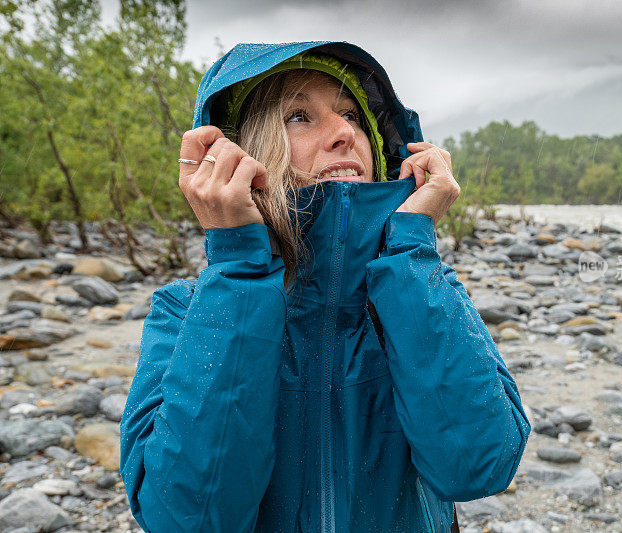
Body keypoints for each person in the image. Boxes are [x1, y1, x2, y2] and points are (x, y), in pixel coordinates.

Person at [120, 41, 531, 533]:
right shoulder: (185, 313)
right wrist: (238, 269)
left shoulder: (412, 293)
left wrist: (411, 250)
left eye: (353, 115)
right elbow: (190, 518)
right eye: (298, 116)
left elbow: (478, 466)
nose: (344, 134)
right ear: (239, 155)